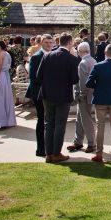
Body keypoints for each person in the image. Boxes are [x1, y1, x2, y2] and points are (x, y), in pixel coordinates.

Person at [36, 32, 79, 163]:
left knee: (49, 123)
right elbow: (74, 80)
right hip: (63, 95)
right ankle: (56, 153)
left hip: (47, 94)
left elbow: (38, 75)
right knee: (60, 124)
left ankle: (49, 154)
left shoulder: (47, 55)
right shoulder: (72, 59)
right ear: (70, 43)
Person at [85, 43, 111, 162]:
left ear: (105, 53)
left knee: (100, 126)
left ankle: (99, 153)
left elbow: (89, 83)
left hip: (101, 99)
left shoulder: (98, 66)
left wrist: (98, 86)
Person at [26, 34, 52, 158]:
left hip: (50, 93)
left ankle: (49, 148)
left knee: (49, 121)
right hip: (39, 93)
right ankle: (40, 149)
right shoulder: (36, 57)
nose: (49, 45)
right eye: (46, 42)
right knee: (42, 120)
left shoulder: (53, 55)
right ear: (41, 43)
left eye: (51, 42)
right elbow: (33, 77)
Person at [68, 42, 96, 154]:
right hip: (89, 94)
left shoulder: (83, 62)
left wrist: (81, 95)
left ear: (80, 51)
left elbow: (83, 82)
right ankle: (78, 141)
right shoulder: (93, 60)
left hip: (84, 95)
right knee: (80, 119)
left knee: (85, 120)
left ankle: (91, 143)